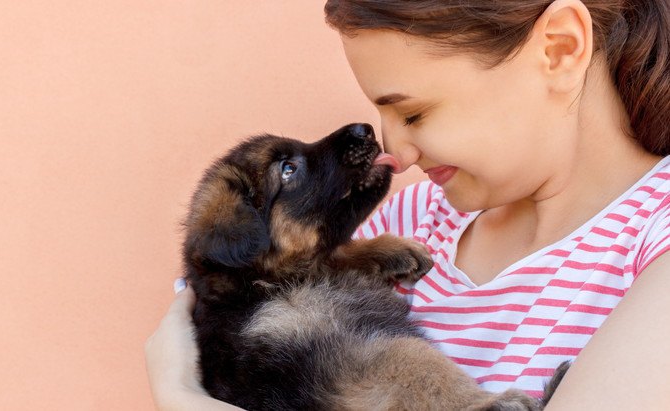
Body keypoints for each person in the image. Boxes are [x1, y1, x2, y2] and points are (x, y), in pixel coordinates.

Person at [146, 0, 670, 409]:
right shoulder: (411, 222)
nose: (396, 151)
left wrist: (179, 397)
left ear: (559, 48)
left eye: (415, 114)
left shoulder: (655, 236)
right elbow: (233, 305)